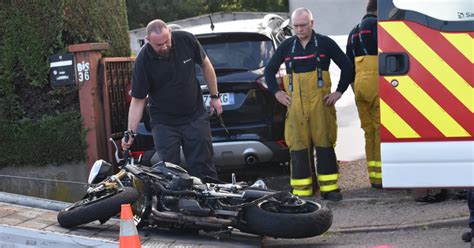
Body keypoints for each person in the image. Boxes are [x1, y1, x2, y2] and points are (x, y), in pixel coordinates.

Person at [264, 8, 354, 201]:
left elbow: (347, 66)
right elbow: (269, 71)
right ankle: (302, 192)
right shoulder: (287, 46)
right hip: (295, 108)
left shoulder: (325, 43)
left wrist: (338, 92)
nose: (299, 29)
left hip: (320, 106)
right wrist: (277, 92)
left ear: (312, 24)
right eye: (295, 26)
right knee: (298, 147)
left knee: (324, 145)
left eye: (303, 25)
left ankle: (329, 189)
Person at [122, 19, 222, 180]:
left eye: (166, 41)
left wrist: (214, 96)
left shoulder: (186, 40)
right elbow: (138, 100)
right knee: (169, 171)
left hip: (195, 116)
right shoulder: (143, 61)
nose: (164, 47)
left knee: (203, 167)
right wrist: (130, 133)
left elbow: (206, 65)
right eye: (158, 45)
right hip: (164, 123)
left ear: (170, 32)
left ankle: (209, 202)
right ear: (148, 40)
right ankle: (177, 204)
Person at [346, 0, 381, 188]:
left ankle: (374, 177)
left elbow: (348, 66)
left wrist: (354, 88)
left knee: (368, 132)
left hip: (358, 85)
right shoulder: (378, 26)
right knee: (381, 129)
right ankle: (384, 177)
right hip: (377, 82)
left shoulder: (354, 31)